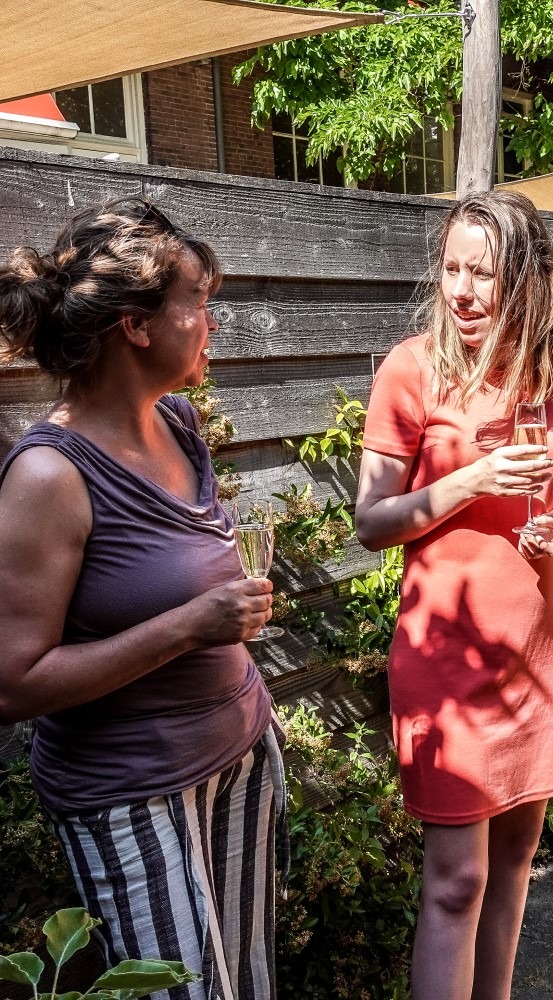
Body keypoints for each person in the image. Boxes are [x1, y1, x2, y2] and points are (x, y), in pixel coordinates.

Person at [0, 200, 282, 1000]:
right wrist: (191, 624)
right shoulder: (49, 477)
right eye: (199, 301)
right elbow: (13, 684)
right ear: (136, 325)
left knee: (247, 985)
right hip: (131, 793)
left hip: (239, 759)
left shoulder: (180, 423)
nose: (210, 322)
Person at [355, 189, 553, 1000]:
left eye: (483, 273)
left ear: (527, 280)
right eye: (452, 269)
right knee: (456, 880)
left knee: (518, 858)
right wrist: (471, 481)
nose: (460, 290)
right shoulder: (411, 368)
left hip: (534, 648)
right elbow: (373, 522)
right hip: (448, 660)